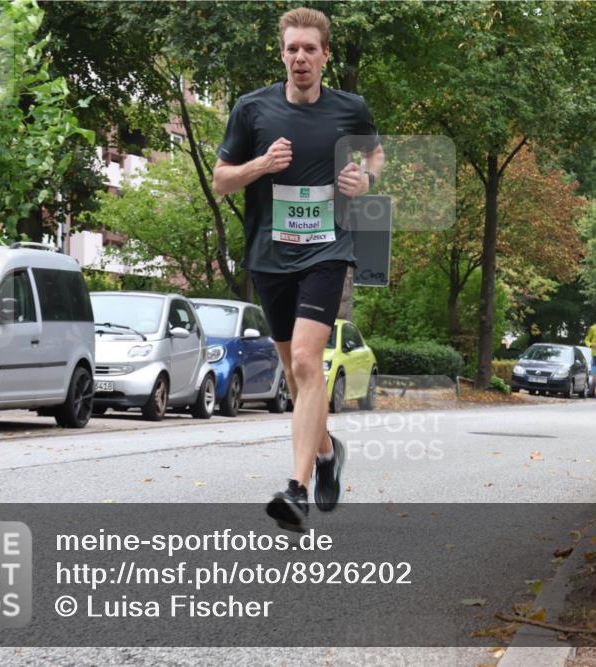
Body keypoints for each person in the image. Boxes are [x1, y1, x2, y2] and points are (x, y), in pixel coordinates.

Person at [212, 7, 385, 531]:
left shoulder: (349, 109)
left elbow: (374, 156)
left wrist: (365, 180)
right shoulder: (252, 110)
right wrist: (259, 166)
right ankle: (328, 450)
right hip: (271, 255)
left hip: (328, 250)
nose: (300, 57)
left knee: (310, 361)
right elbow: (222, 180)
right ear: (282, 54)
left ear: (325, 55)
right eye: (292, 49)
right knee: (295, 374)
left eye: (310, 48)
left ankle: (296, 489)